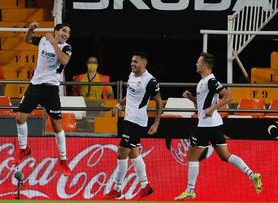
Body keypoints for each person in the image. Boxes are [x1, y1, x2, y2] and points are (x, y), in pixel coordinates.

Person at [174, 52, 262, 200]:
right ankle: (253, 175)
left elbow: (228, 96)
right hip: (212, 124)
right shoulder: (202, 82)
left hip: (206, 125)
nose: (196, 64)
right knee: (225, 156)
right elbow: (202, 105)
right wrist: (191, 98)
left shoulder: (211, 81)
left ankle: (190, 190)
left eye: (198, 62)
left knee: (192, 157)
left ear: (204, 65)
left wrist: (213, 108)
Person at [14, 22, 72, 176]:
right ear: (56, 31)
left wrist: (54, 42)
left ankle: (63, 159)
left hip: (51, 89)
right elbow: (27, 40)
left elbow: (64, 61)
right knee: (20, 118)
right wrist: (30, 30)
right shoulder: (43, 41)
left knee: (56, 126)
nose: (66, 34)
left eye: (68, 32)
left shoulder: (66, 47)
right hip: (35, 86)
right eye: (64, 31)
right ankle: (23, 149)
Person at [102, 52, 162, 200]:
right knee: (133, 154)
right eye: (131, 61)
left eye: (135, 62)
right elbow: (129, 96)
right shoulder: (131, 75)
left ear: (144, 63)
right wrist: (118, 106)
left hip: (137, 122)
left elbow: (159, 103)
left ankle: (117, 188)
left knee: (121, 153)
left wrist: (156, 123)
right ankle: (145, 186)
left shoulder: (150, 81)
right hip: (128, 120)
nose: (132, 64)